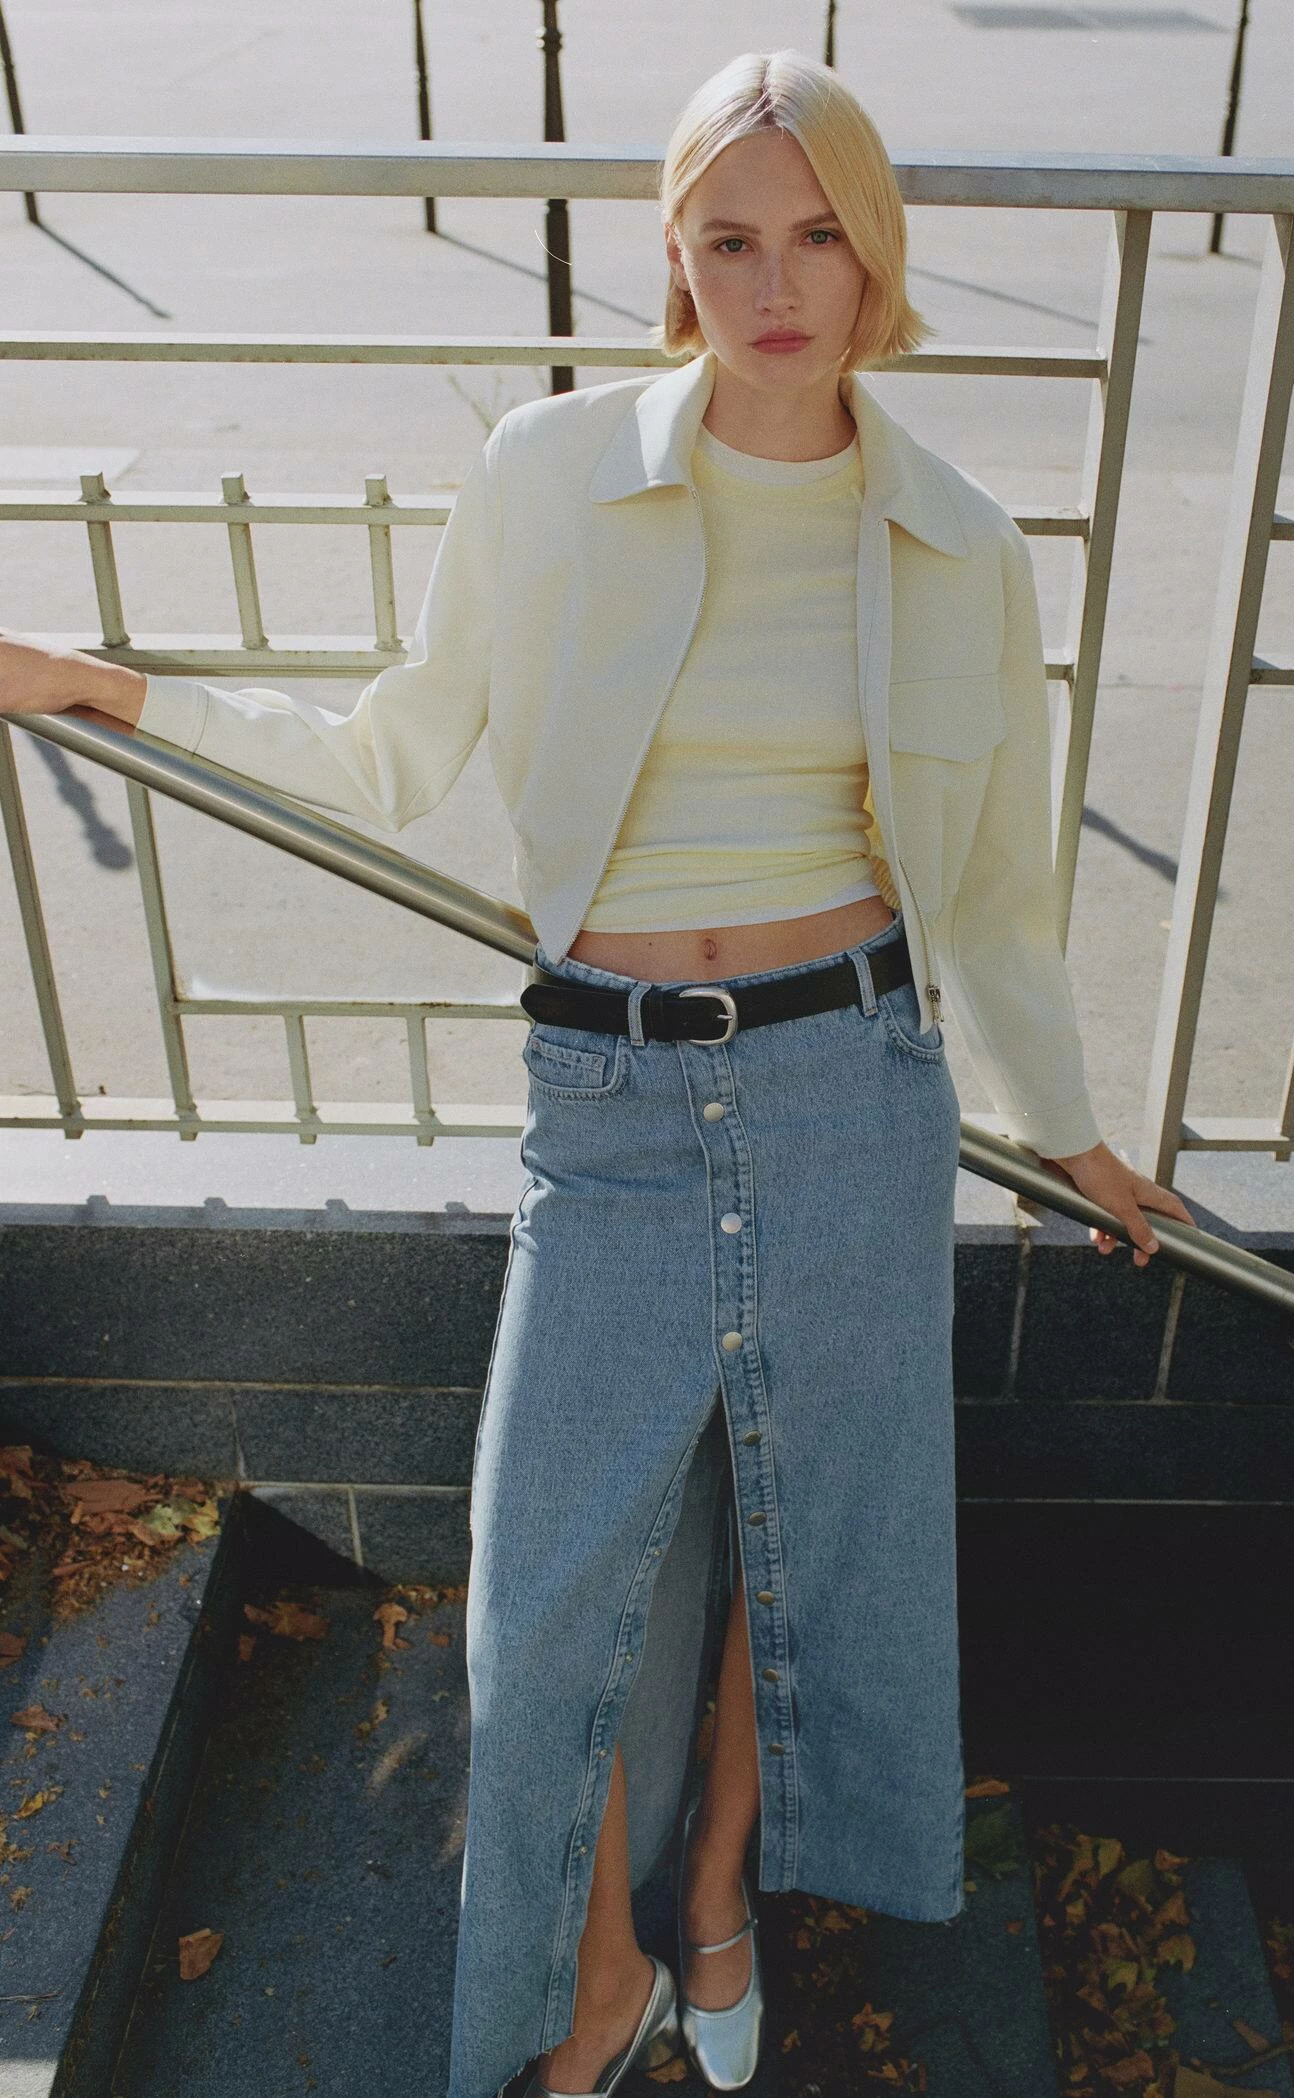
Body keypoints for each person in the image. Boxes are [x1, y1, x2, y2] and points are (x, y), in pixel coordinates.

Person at [0, 47, 1197, 2098]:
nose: (772, 285)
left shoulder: (957, 541)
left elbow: (999, 891)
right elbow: (394, 750)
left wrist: (1067, 1130)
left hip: (850, 1090)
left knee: (810, 1545)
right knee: (542, 1592)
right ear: (671, 256)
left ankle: (712, 1889)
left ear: (874, 253)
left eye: (814, 235)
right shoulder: (551, 474)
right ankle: (595, 1969)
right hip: (614, 1105)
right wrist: (110, 689)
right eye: (726, 240)